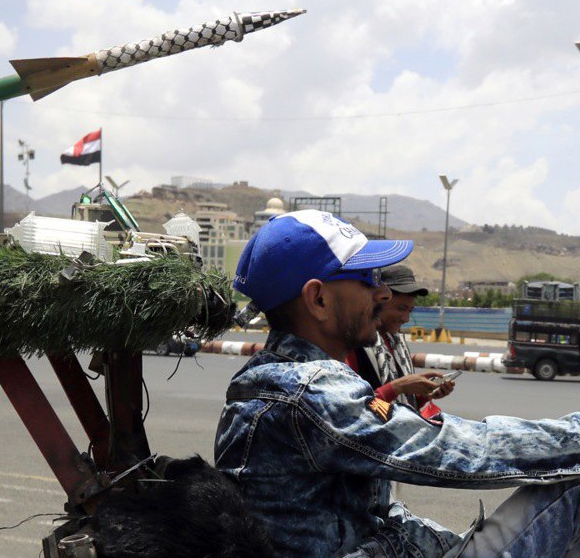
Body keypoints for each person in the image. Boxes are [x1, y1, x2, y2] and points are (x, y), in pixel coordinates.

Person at [215, 210, 580, 557]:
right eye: (369, 278)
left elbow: (378, 513)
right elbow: (459, 450)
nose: (385, 294)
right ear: (319, 299)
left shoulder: (273, 378)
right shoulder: (307, 391)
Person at [349, 264, 453, 411]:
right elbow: (356, 411)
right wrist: (398, 386)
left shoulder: (396, 343)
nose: (406, 319)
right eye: (401, 309)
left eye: (410, 311)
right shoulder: (356, 344)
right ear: (379, 300)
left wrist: (425, 394)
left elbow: (402, 404)